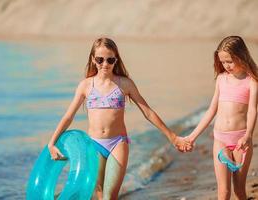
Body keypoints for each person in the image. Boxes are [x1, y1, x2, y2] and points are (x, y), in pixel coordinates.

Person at [47, 37, 191, 199]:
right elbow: (68, 116)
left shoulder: (125, 84)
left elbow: (148, 112)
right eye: (100, 60)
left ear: (116, 60)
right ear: (93, 59)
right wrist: (52, 143)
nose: (105, 64)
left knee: (109, 196)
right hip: (94, 145)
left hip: (117, 143)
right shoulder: (86, 86)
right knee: (100, 195)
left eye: (110, 60)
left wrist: (172, 137)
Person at [185, 36, 258, 199]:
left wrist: (248, 135)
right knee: (223, 192)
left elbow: (253, 110)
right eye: (223, 62)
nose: (226, 66)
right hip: (220, 140)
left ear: (241, 56)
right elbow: (212, 110)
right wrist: (192, 136)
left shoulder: (251, 81)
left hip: (241, 141)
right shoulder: (221, 79)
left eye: (230, 61)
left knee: (239, 191)